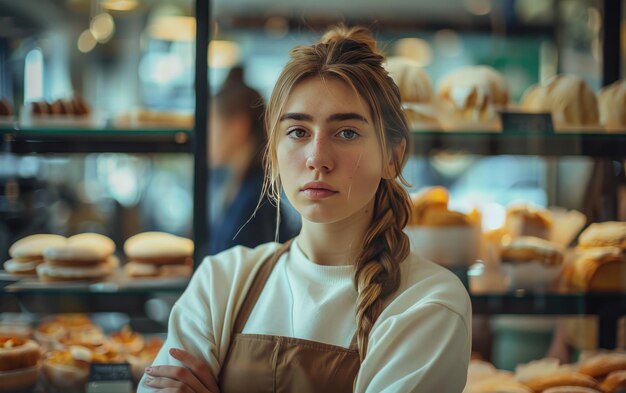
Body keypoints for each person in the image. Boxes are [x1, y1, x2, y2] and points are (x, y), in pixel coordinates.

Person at [139, 25, 472, 393]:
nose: (317, 159)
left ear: (394, 157)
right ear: (274, 151)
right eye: (298, 132)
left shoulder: (429, 302)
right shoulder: (223, 280)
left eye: (346, 132)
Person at [208, 66, 299, 254]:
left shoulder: (256, 197)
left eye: (211, 126)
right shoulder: (242, 184)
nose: (205, 137)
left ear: (239, 127)